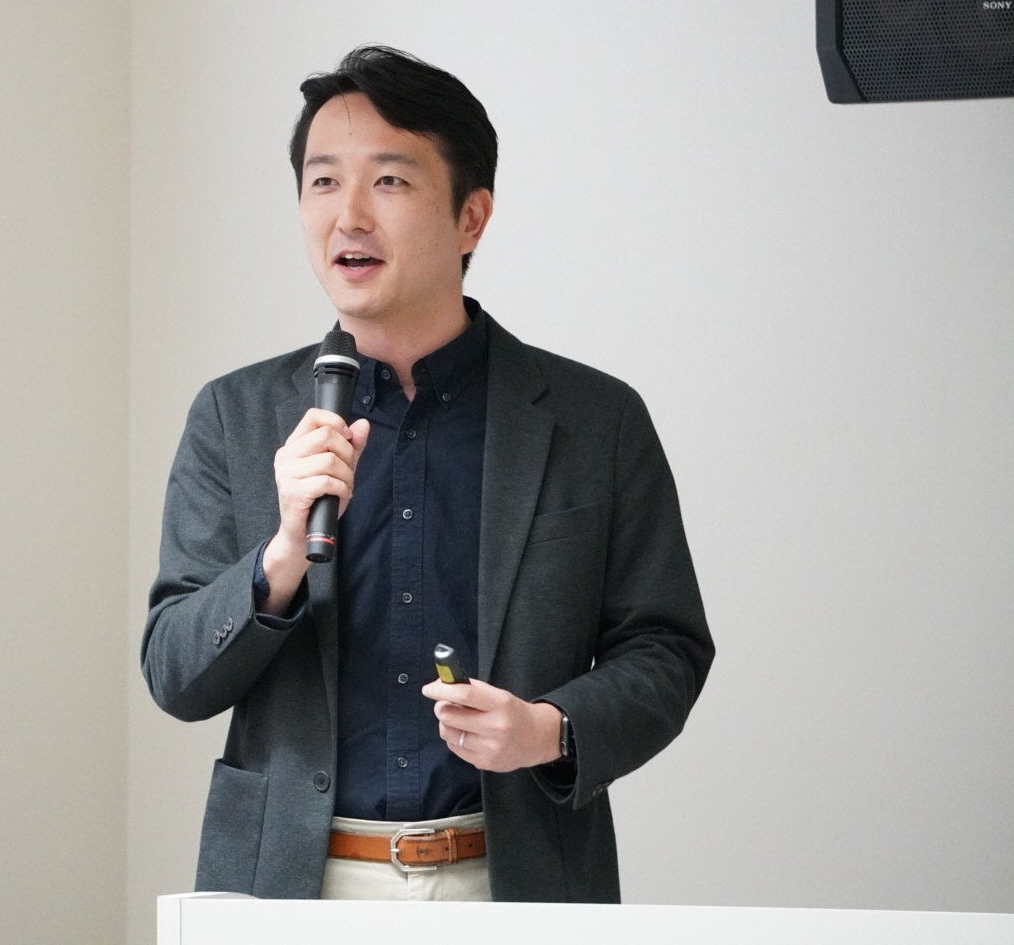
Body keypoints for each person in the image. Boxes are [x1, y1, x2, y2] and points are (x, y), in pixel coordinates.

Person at [141, 45, 713, 903]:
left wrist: (550, 730)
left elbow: (666, 648)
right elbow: (174, 675)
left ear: (471, 218)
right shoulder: (235, 415)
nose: (348, 215)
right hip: (291, 888)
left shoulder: (595, 419)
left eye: (390, 181)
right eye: (323, 181)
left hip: (514, 881)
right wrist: (281, 557)